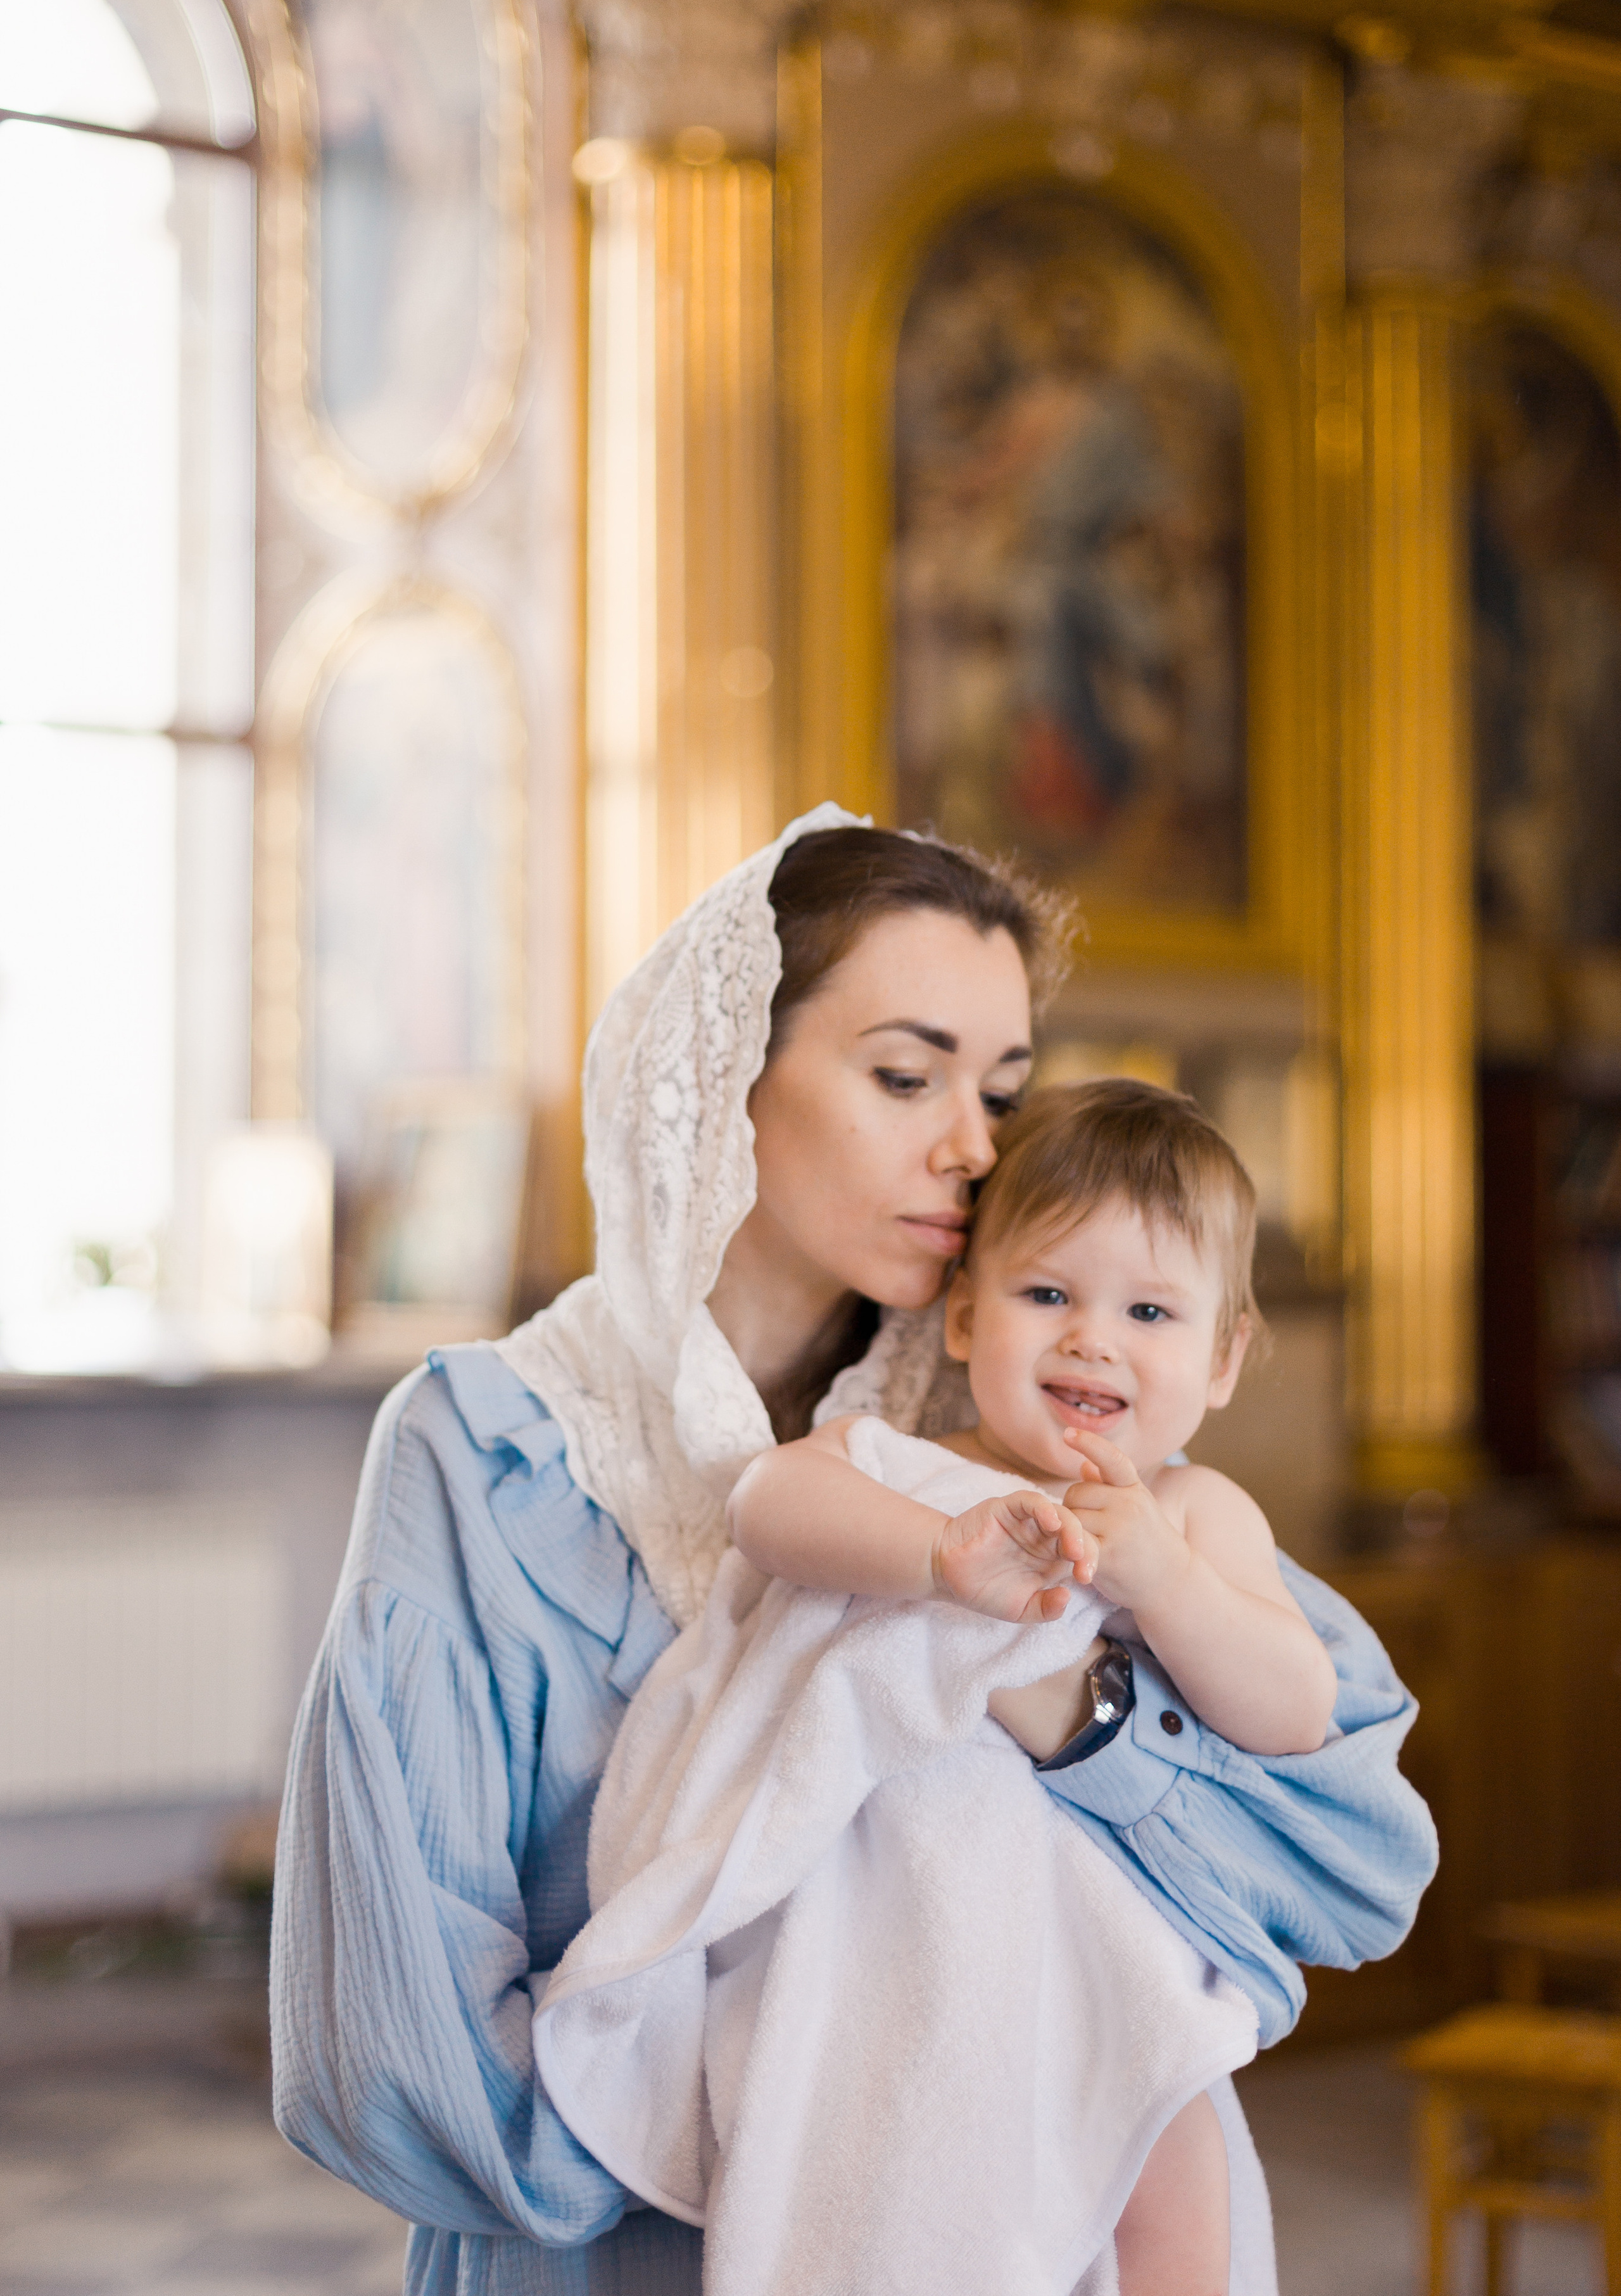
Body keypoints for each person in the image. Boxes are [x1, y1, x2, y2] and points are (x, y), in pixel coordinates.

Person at [271, 808, 1437, 2296]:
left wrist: (1070, 1715)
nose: (970, 1146)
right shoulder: (486, 1453)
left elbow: (1346, 1863)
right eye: (904, 1075)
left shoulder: (1037, 1423)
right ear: (719, 1082)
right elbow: (381, 2051)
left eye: (999, 1090)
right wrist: (755, 2144)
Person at [680, 1079, 1340, 2293]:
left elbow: (1298, 1708)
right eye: (1048, 1295)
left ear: (1224, 1356)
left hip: (1116, 1964)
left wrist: (1166, 1581)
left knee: (1169, 2159)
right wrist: (934, 1552)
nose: (1093, 1338)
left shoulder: (1196, 1511)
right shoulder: (912, 1466)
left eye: (1150, 1309)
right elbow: (764, 1505)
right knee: (893, 2185)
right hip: (916, 1940)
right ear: (969, 1319)